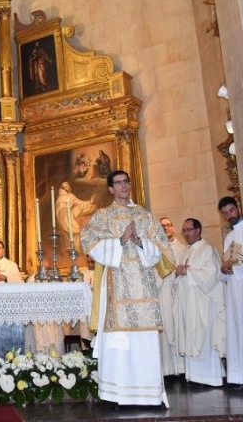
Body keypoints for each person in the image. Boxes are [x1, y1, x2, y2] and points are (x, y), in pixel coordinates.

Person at [81, 170, 173, 407]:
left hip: (143, 287)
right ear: (111, 189)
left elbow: (163, 246)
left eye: (126, 182)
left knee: (144, 337)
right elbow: (88, 241)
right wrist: (119, 241)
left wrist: (141, 242)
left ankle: (149, 394)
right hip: (117, 287)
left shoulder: (144, 215)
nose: (123, 186)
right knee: (119, 338)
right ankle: (118, 393)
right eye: (118, 183)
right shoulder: (103, 216)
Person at [173, 218, 225, 386]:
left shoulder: (208, 249)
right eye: (184, 230)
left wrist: (188, 272)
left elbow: (212, 275)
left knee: (204, 337)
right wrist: (178, 273)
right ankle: (194, 376)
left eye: (189, 230)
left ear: (198, 230)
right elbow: (177, 278)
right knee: (190, 335)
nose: (186, 234)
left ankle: (209, 378)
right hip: (187, 303)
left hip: (202, 303)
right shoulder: (184, 252)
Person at [157, 217, 186, 376]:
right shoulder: (156, 250)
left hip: (179, 294)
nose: (166, 228)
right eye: (162, 226)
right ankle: (167, 370)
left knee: (179, 326)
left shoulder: (183, 249)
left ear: (173, 228)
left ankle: (182, 368)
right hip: (163, 294)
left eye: (168, 225)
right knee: (166, 330)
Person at [218, 195, 243, 385]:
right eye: (225, 214)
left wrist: (233, 268)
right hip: (235, 289)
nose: (230, 216)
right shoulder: (229, 236)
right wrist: (224, 268)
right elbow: (228, 262)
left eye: (232, 211)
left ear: (238, 207)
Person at [55, 181, 96, 254]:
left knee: (81, 209)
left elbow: (81, 202)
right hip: (63, 215)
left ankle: (76, 249)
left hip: (68, 213)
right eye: (66, 187)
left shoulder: (71, 196)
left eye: (68, 186)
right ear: (63, 189)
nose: (69, 187)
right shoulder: (62, 198)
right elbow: (60, 210)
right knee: (77, 212)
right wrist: (89, 203)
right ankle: (74, 248)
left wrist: (90, 201)